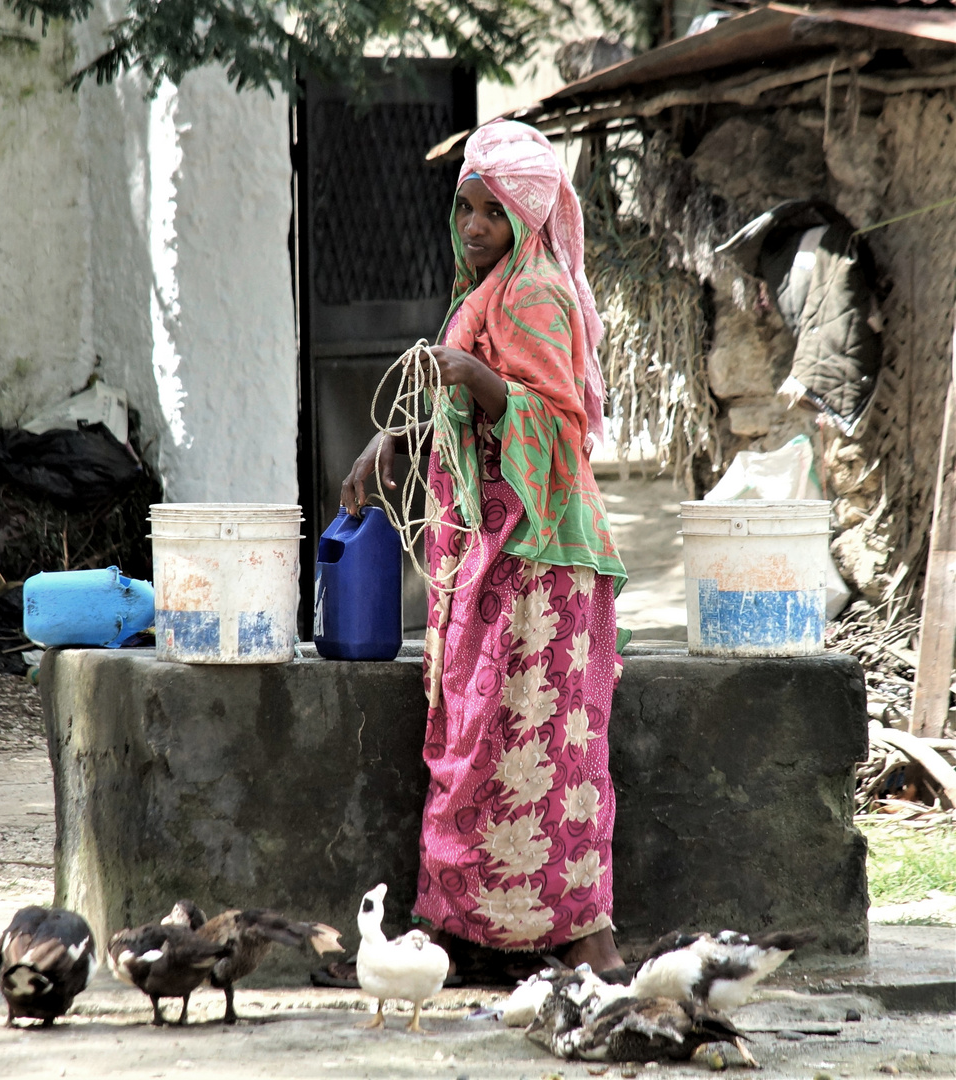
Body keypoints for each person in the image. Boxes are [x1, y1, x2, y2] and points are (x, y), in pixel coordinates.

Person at [341, 120, 627, 975]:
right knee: (474, 735)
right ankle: (462, 929)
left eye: (490, 213)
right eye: (462, 209)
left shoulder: (535, 292)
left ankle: (585, 936)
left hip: (540, 563)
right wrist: (391, 440)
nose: (470, 227)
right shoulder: (486, 290)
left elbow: (555, 426)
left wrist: (470, 377)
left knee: (547, 750)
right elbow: (454, 408)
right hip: (488, 556)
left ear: (527, 217)